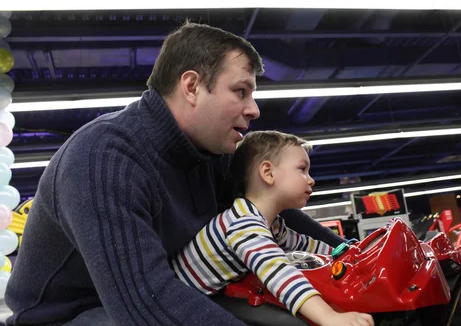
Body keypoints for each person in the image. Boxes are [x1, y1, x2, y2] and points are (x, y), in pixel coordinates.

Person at [5, 23, 344, 326]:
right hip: (77, 313)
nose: (254, 109)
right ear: (192, 86)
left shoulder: (214, 156)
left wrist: (349, 251)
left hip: (161, 291)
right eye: (241, 91)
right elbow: (143, 302)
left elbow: (268, 209)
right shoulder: (103, 158)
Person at [174, 131, 374, 326]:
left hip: (214, 297)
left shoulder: (273, 225)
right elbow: (279, 273)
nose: (311, 179)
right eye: (302, 169)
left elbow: (308, 246)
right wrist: (329, 317)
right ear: (268, 173)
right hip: (180, 308)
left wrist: (355, 255)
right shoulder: (243, 224)